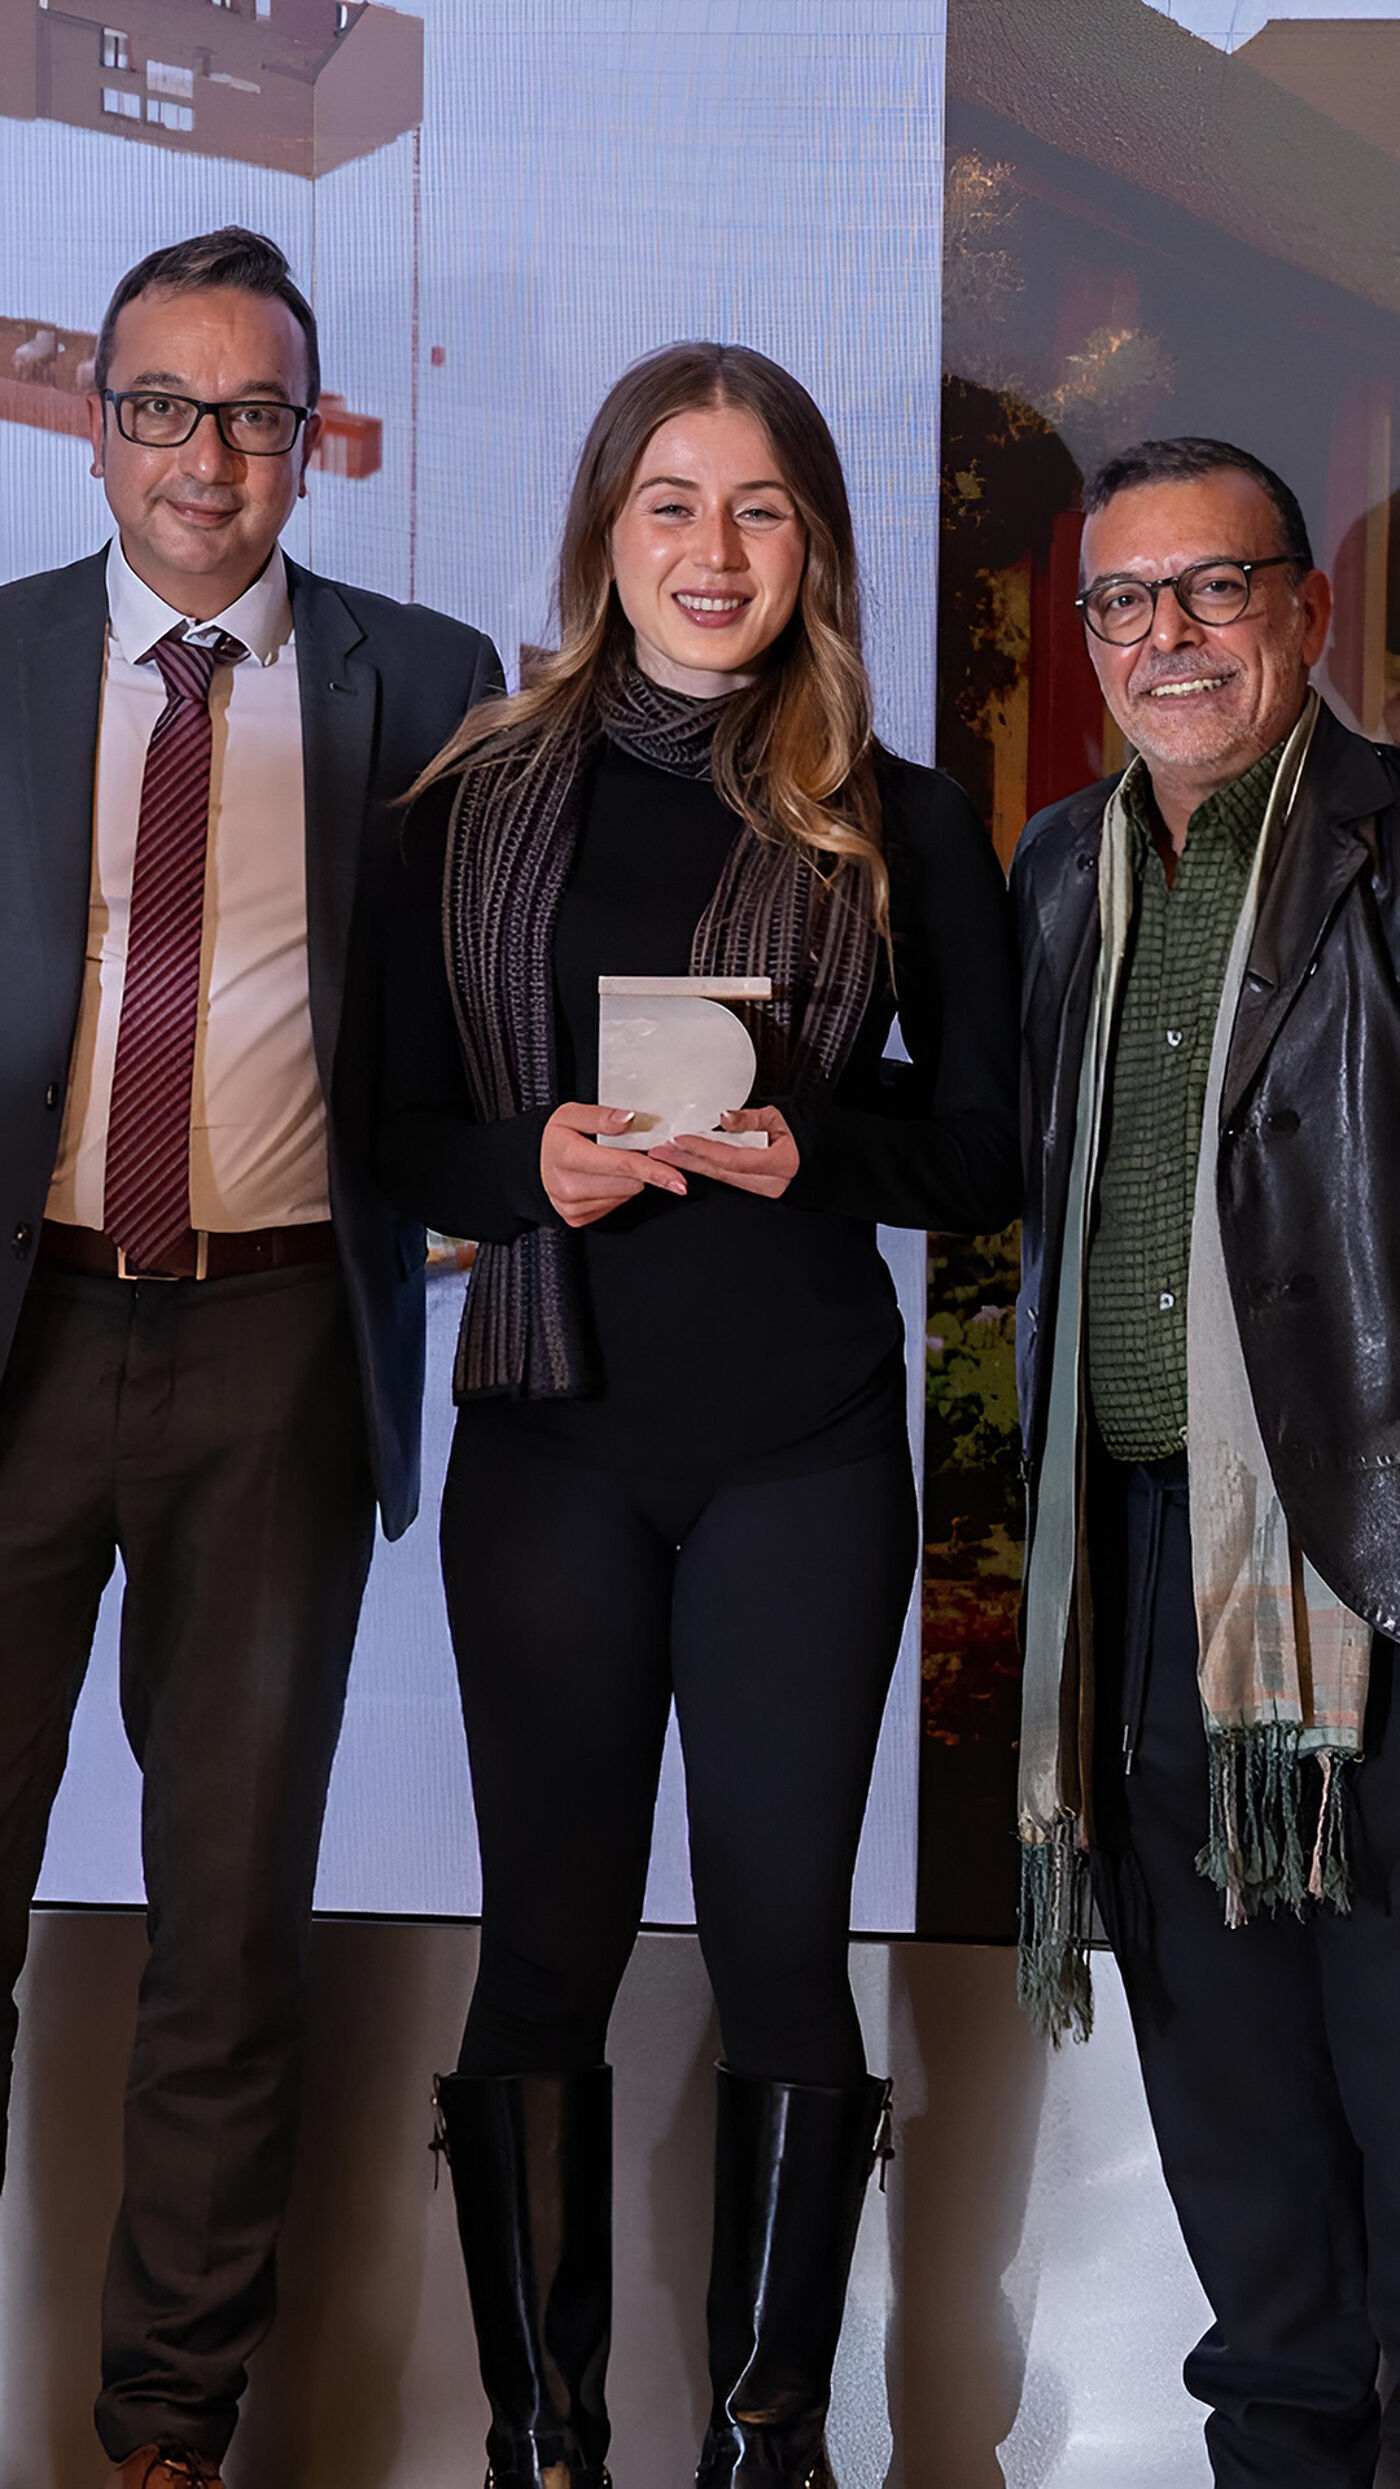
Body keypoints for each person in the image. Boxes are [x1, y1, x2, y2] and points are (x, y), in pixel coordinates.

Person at [380, 339, 1019, 2488]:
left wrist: (810, 1146)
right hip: (550, 1441)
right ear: (603, 534)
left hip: (800, 1456)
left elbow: (986, 1157)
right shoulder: (467, 795)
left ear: (813, 546)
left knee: (776, 1950)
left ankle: (767, 2451)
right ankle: (544, 2447)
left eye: (758, 509)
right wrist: (517, 1175)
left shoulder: (903, 815)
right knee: (541, 1950)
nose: (714, 549)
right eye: (672, 502)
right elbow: (385, 1132)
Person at [0, 227, 499, 2486]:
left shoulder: (428, 673)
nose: (207, 455)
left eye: (253, 411)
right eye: (161, 405)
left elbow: (482, 998)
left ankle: (162, 2446)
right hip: (17, 1338)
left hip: (283, 1350)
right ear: (93, 422)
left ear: (317, 437)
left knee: (227, 1938)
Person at [1014, 435, 1400, 2486]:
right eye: (1122, 601)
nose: (1166, 638)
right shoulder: (1064, 870)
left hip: (1364, 1584)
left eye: (1212, 589)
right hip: (1144, 1589)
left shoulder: (1383, 843)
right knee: (1239, 2151)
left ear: (1302, 615)